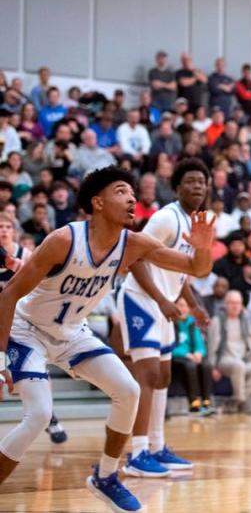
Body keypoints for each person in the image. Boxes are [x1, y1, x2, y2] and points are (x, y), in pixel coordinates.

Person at [0, 166, 216, 513]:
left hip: (72, 331)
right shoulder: (63, 240)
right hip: (29, 331)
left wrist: (204, 248)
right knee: (39, 414)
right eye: (121, 191)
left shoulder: (134, 243)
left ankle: (105, 475)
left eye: (133, 192)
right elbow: (8, 295)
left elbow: (197, 269)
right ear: (97, 203)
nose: (132, 198)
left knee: (129, 391)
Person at [116, 158, 212, 478]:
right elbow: (134, 257)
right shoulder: (166, 218)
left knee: (164, 377)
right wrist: (160, 300)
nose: (197, 186)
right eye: (191, 181)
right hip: (140, 300)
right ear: (177, 187)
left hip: (164, 304)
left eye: (202, 181)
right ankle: (138, 452)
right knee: (146, 376)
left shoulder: (193, 223)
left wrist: (194, 306)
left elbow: (181, 272)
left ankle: (157, 446)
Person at [0, 216, 67, 443]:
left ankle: (50, 417)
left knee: (37, 367)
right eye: (0, 226)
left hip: (21, 318)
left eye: (8, 226)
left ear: (14, 231)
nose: (4, 230)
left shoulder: (25, 255)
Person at [207, 290, 251, 415]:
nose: (235, 306)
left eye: (238, 303)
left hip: (242, 360)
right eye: (232, 303)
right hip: (223, 360)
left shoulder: (245, 321)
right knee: (238, 366)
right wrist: (212, 367)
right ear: (226, 304)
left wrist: (250, 360)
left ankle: (235, 401)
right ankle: (241, 402)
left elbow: (249, 344)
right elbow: (212, 346)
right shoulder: (218, 321)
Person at [170, 298, 214, 416]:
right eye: (180, 305)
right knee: (190, 365)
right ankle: (193, 402)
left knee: (206, 364)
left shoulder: (192, 322)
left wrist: (198, 353)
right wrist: (186, 354)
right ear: (174, 306)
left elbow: (200, 343)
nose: (183, 309)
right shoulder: (170, 322)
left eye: (185, 306)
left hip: (191, 356)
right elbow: (169, 346)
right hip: (176, 357)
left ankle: (206, 401)